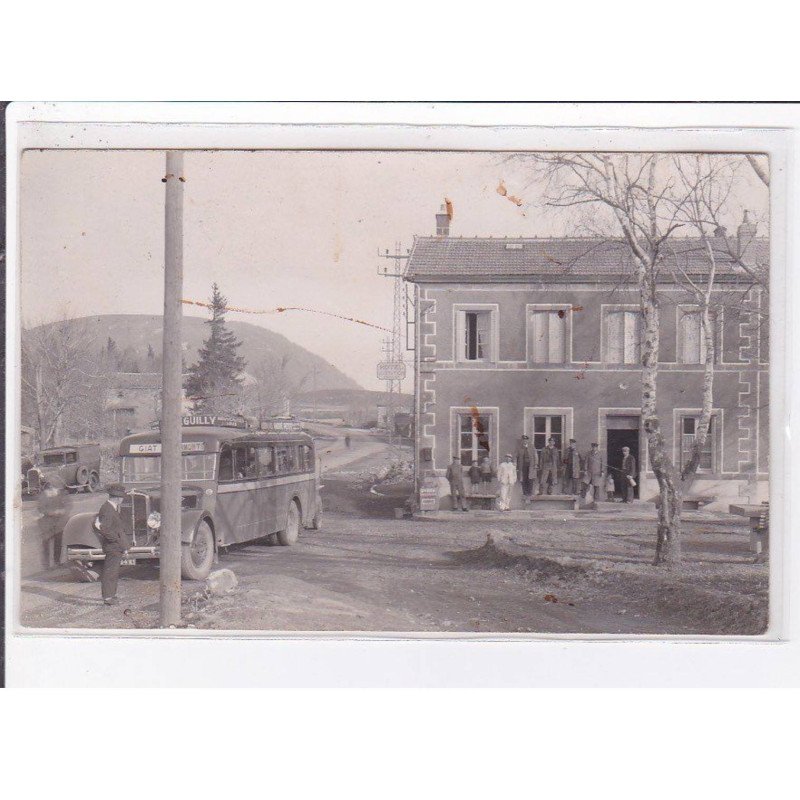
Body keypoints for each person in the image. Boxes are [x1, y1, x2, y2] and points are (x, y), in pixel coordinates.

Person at [95, 486, 128, 605]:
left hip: (115, 545)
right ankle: (108, 598)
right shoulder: (108, 509)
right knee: (110, 571)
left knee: (113, 571)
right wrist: (117, 540)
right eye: (122, 498)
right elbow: (104, 529)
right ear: (118, 498)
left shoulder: (109, 508)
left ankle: (111, 595)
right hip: (113, 546)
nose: (123, 500)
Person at [515, 434, 538, 502]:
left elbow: (535, 456)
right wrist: (515, 464)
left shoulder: (532, 447)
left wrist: (536, 464)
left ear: (528, 440)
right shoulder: (519, 448)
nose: (525, 441)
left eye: (526, 440)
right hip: (522, 466)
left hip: (531, 465)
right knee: (523, 479)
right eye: (523, 440)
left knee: (530, 479)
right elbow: (515, 456)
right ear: (522, 441)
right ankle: (525, 493)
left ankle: (529, 493)